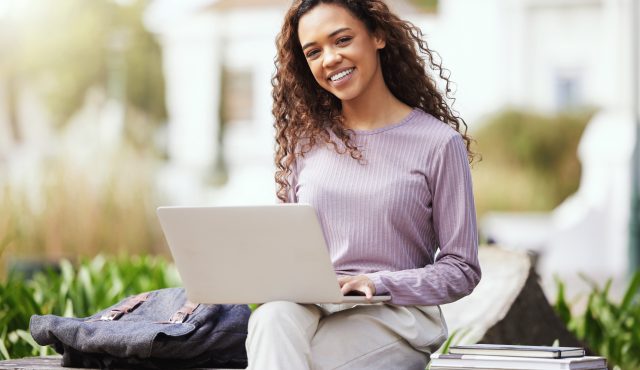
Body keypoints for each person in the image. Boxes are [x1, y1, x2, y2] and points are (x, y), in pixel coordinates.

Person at [245, 0, 481, 368]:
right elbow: (291, 247)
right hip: (313, 306)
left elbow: (461, 268)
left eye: (342, 40)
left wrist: (380, 282)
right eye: (314, 52)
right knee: (269, 318)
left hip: (395, 314)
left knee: (311, 359)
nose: (330, 58)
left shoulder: (438, 143)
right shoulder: (306, 146)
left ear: (378, 35)